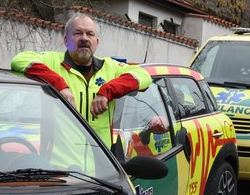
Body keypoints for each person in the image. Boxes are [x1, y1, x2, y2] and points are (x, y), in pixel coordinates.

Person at [11, 14, 152, 147]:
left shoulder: (110, 67)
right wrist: (59, 85)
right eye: (78, 33)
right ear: (66, 40)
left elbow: (144, 76)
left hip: (102, 165)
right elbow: (19, 60)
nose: (84, 38)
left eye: (90, 34)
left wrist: (107, 91)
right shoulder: (52, 61)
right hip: (61, 166)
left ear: (97, 42)